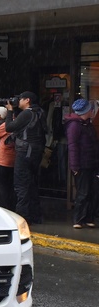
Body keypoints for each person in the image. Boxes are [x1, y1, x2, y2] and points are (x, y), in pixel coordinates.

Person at [5, 91, 45, 224]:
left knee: (21, 185)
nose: (18, 101)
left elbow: (10, 127)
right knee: (32, 184)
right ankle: (35, 215)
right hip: (36, 151)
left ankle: (23, 217)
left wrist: (10, 111)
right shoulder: (39, 112)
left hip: (25, 152)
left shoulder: (27, 113)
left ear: (27, 100)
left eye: (20, 99)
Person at [65, 98, 98, 229]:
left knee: (92, 191)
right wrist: (74, 166)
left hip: (92, 162)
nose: (93, 111)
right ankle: (78, 219)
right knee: (83, 192)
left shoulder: (87, 124)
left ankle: (88, 217)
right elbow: (73, 146)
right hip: (82, 164)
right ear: (86, 111)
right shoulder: (74, 126)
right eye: (91, 109)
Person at [0, 106, 16, 211]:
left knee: (2, 185)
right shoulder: (21, 124)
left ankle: (5, 207)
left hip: (2, 158)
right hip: (14, 157)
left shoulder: (8, 125)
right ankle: (11, 205)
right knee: (10, 184)